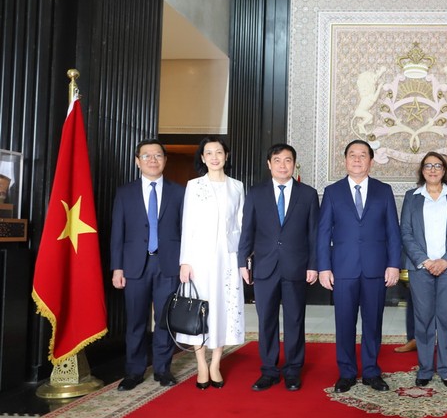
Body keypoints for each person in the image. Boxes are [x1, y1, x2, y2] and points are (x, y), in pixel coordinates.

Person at [317, 139, 402, 393]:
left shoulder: (383, 190)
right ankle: (346, 372)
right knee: (344, 322)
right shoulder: (332, 192)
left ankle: (371, 372)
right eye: (352, 155)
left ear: (371, 162)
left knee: (373, 322)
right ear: (345, 160)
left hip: (376, 268)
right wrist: (323, 267)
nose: (357, 159)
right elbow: (322, 233)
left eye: (362, 155)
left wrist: (394, 264)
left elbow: (393, 232)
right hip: (342, 269)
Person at [239, 143, 319, 392]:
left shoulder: (307, 194)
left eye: (287, 160)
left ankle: (293, 370)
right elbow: (247, 230)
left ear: (294, 164)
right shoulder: (256, 192)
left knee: (295, 320)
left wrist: (314, 265)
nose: (283, 165)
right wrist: (243, 261)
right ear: (269, 164)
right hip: (264, 266)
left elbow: (314, 234)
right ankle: (269, 371)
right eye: (277, 160)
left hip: (296, 266)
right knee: (266, 321)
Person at [110, 139, 184, 391]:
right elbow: (117, 233)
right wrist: (117, 268)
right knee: (136, 322)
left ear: (165, 160)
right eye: (147, 156)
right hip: (133, 266)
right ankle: (133, 371)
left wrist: (185, 263)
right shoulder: (125, 192)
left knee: (164, 320)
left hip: (169, 265)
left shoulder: (179, 192)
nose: (153, 160)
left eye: (158, 156)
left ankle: (162, 370)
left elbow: (186, 231)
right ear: (137, 161)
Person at [177, 137, 245, 390]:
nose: (214, 157)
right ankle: (201, 363)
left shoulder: (237, 187)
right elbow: (188, 226)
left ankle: (216, 362)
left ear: (226, 156)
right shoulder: (194, 186)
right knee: (200, 310)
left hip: (227, 259)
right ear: (203, 158)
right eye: (209, 153)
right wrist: (185, 261)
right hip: (199, 259)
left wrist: (242, 259)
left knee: (222, 309)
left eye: (219, 152)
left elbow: (239, 225)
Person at [401, 152, 447, 387]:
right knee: (423, 318)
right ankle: (425, 368)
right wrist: (425, 260)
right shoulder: (412, 197)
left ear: (444, 170)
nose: (432, 169)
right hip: (421, 268)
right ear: (422, 170)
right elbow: (406, 233)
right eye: (428, 166)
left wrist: (445, 260)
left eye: (437, 166)